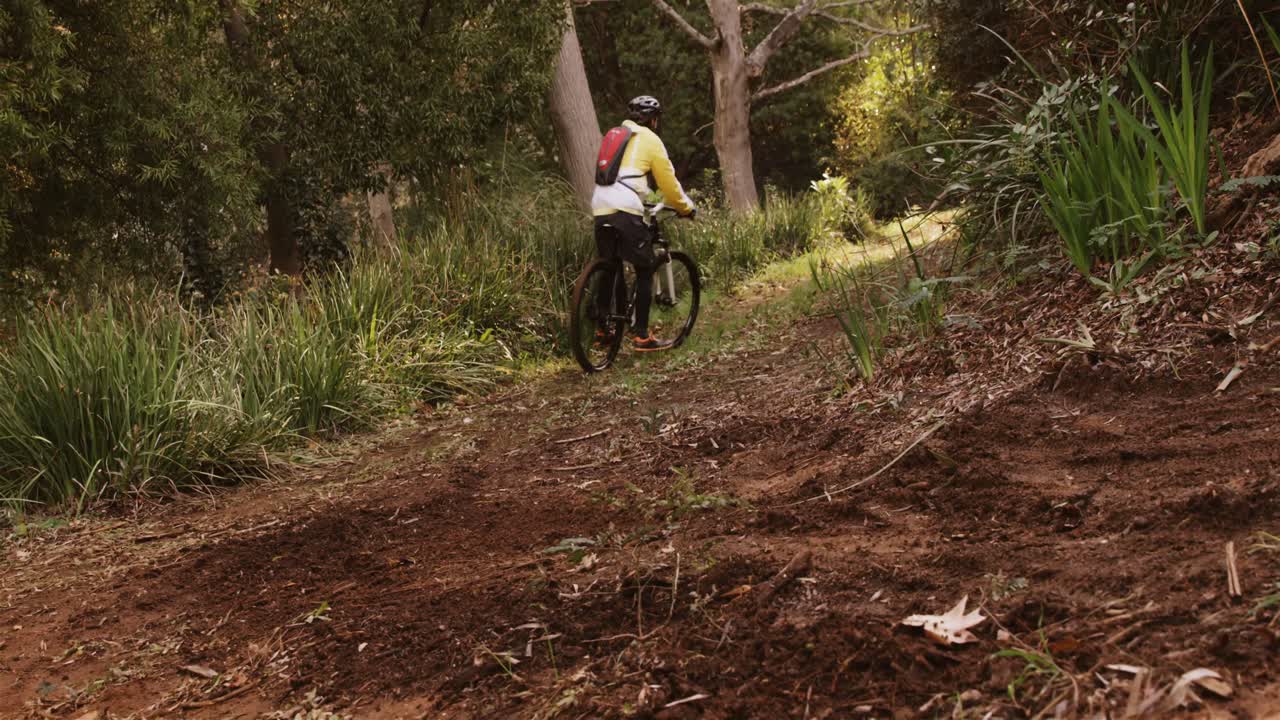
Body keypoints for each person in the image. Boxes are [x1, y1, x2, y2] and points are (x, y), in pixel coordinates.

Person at [592, 95, 696, 352]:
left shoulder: (615, 135)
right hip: (626, 208)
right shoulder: (651, 140)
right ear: (654, 120)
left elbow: (626, 178)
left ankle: (602, 327)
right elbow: (669, 185)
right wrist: (686, 207)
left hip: (600, 205)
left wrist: (650, 199)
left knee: (610, 264)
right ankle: (641, 336)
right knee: (645, 266)